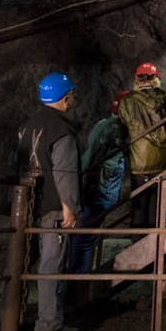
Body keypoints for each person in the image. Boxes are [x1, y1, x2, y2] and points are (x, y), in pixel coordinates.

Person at [15, 72, 81, 331]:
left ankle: (19, 317)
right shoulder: (61, 131)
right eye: (71, 94)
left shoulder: (26, 126)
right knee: (52, 263)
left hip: (29, 203)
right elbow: (65, 173)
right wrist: (70, 206)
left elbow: (18, 164)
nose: (73, 98)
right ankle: (49, 324)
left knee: (25, 262)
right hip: (54, 206)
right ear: (64, 99)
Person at [69, 90, 129, 274]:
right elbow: (89, 157)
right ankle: (76, 285)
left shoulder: (115, 127)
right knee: (84, 239)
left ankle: (77, 285)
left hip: (102, 189)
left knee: (85, 239)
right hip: (98, 190)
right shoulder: (108, 127)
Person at [118, 63, 166, 235]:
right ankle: (155, 243)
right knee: (157, 206)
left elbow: (123, 125)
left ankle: (137, 244)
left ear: (137, 78)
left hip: (140, 161)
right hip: (162, 159)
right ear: (156, 78)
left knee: (139, 205)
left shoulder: (127, 101)